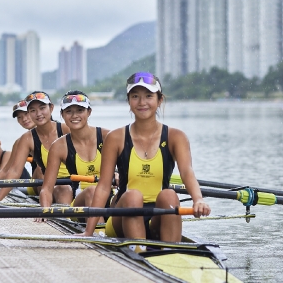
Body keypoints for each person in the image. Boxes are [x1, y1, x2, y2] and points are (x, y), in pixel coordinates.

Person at [83, 72, 210, 248]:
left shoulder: (176, 137)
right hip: (122, 215)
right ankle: (139, 252)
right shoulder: (116, 138)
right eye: (135, 96)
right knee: (133, 195)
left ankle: (171, 252)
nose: (142, 103)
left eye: (149, 96)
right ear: (129, 101)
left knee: (169, 195)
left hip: (158, 216)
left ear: (160, 100)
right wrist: (89, 232)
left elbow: (187, 172)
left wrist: (198, 200)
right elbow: (104, 186)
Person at [40, 91, 110, 217]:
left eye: (79, 110)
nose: (74, 116)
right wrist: (44, 211)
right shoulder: (58, 146)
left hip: (111, 196)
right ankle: (98, 234)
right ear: (62, 115)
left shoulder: (108, 137)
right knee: (92, 192)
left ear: (89, 112)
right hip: (81, 202)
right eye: (69, 111)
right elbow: (47, 188)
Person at [0, 91, 71, 203]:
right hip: (44, 184)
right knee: (42, 171)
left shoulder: (67, 130)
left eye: (42, 108)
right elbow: (13, 171)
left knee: (66, 188)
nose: (38, 114)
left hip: (73, 181)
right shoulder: (25, 139)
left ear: (51, 108)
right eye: (33, 110)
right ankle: (49, 206)